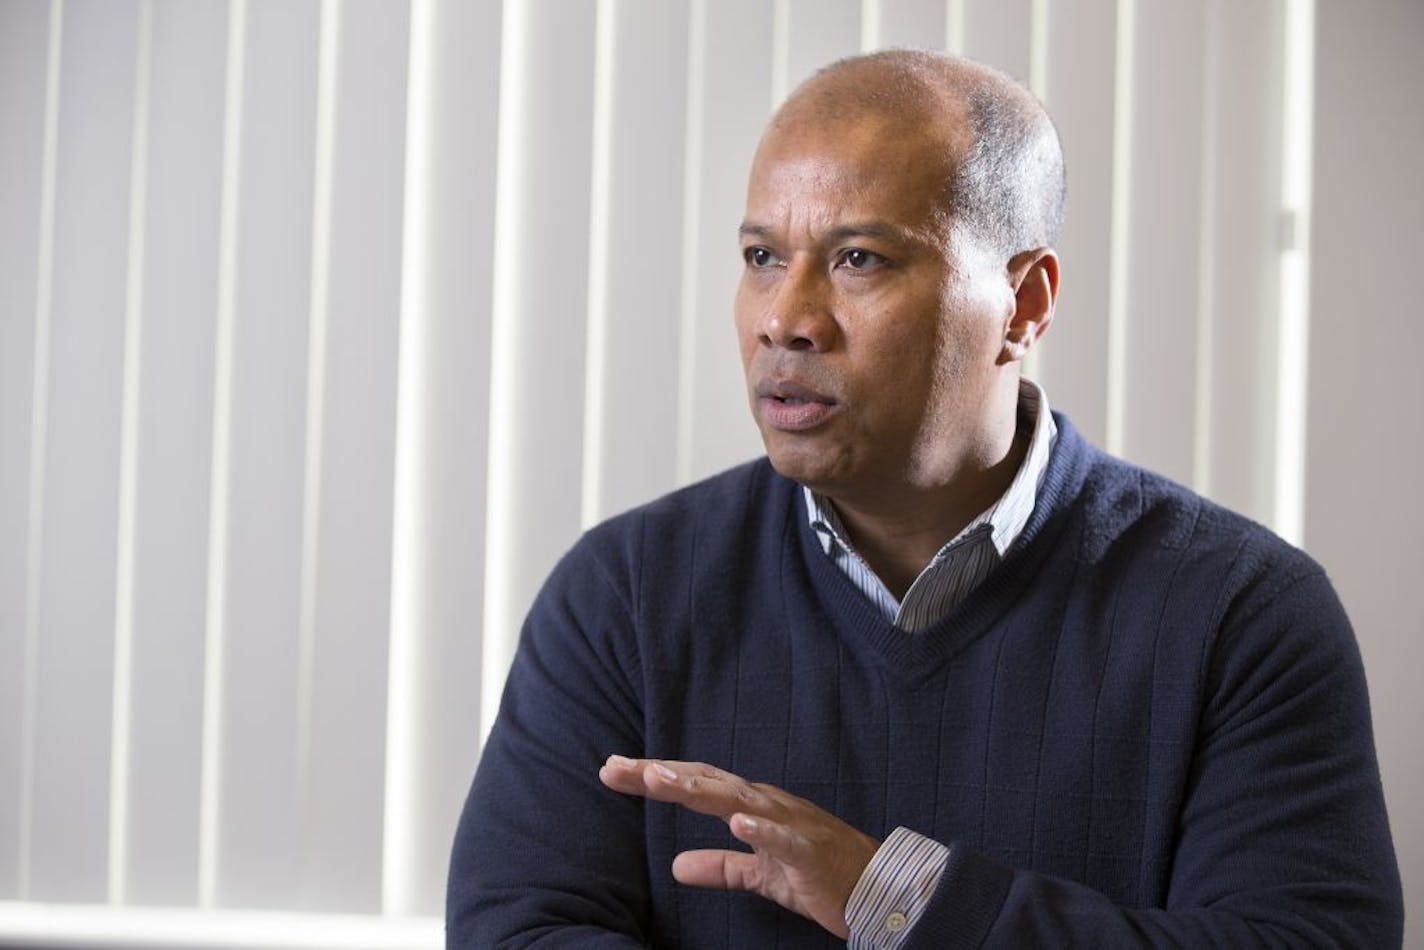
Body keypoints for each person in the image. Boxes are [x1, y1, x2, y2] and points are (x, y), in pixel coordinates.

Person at [446, 50, 1402, 947]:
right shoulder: (626, 592)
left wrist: (893, 899)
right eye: (761, 256)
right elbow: (518, 927)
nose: (786, 317)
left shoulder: (1242, 613)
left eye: (859, 258)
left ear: (1023, 306)